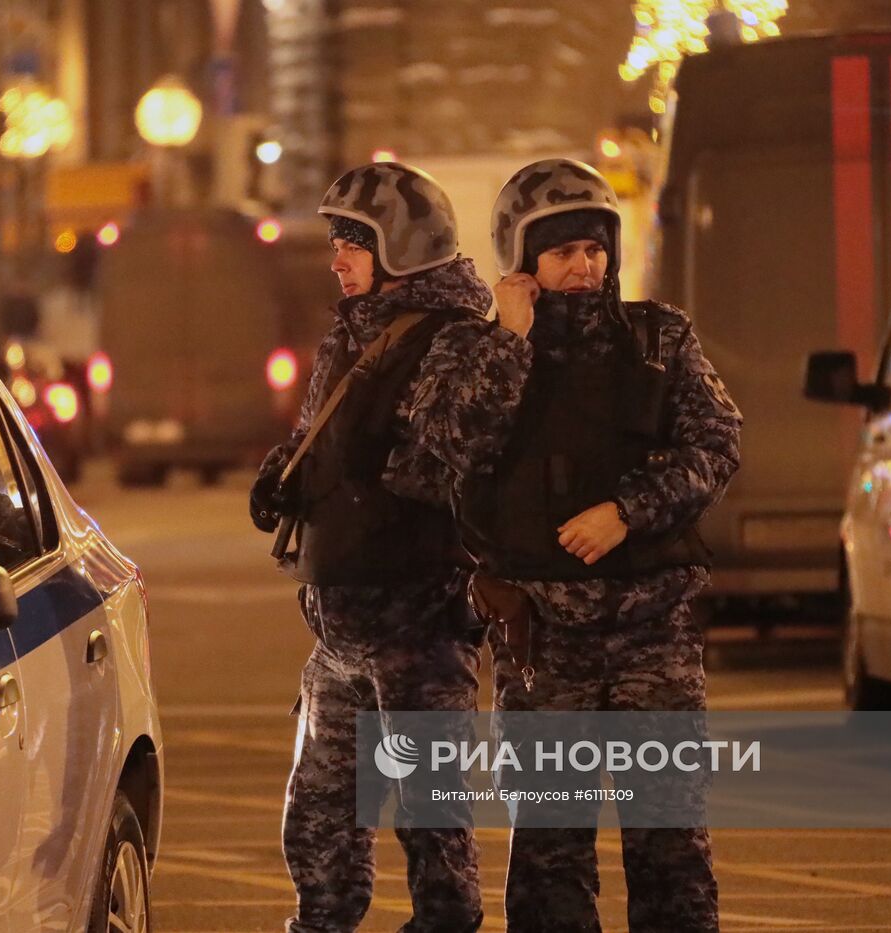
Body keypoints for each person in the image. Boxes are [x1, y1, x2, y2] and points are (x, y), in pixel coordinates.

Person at [458, 157, 743, 932]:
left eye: (594, 249)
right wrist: (506, 341)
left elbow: (717, 444)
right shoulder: (490, 352)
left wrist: (629, 509)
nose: (584, 268)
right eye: (561, 254)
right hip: (544, 642)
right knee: (549, 854)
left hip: (654, 633)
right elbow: (451, 451)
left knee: (670, 848)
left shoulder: (658, 338)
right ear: (524, 262)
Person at [250, 160, 531, 933]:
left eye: (353, 241)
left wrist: (507, 344)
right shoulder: (352, 334)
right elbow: (322, 436)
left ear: (401, 248)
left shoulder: (455, 339)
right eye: (336, 240)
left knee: (429, 814)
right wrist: (286, 473)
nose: (336, 257)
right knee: (319, 811)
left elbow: (447, 451)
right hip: (340, 624)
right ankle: (322, 922)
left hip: (418, 619)